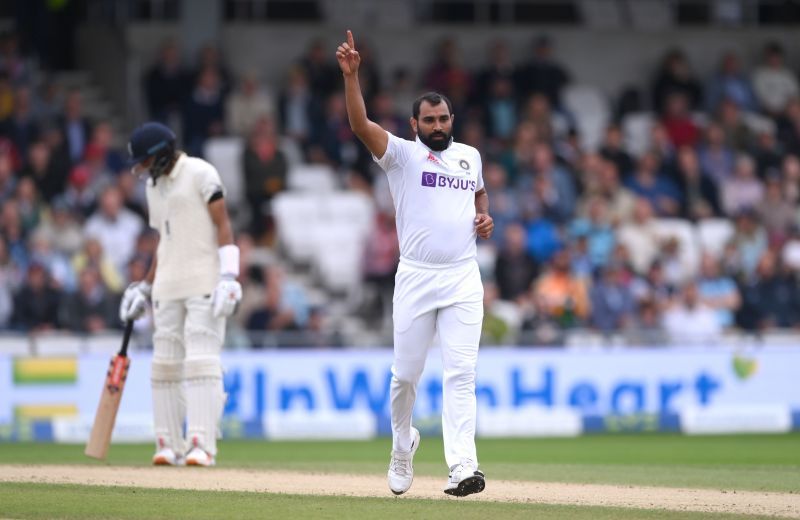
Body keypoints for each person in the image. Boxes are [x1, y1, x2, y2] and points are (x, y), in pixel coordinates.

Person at [336, 30, 494, 497]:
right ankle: (402, 445)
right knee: (405, 376)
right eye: (431, 120)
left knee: (461, 373)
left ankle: (463, 465)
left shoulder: (469, 157)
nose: (440, 125)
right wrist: (352, 77)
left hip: (464, 275)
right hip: (418, 277)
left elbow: (479, 193)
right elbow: (360, 123)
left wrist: (484, 216)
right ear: (415, 124)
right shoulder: (402, 156)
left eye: (445, 118)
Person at [118, 122, 242, 467]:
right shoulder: (153, 189)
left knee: (202, 360)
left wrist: (229, 275)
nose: (141, 169)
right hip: (166, 286)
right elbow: (164, 242)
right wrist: (144, 285)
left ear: (159, 156)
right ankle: (168, 444)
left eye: (144, 162)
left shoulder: (201, 172)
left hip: (204, 281)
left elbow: (223, 225)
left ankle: (202, 444)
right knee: (164, 365)